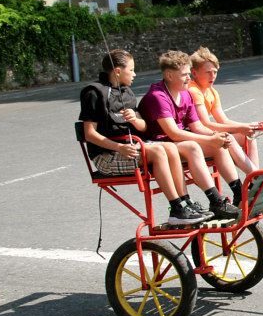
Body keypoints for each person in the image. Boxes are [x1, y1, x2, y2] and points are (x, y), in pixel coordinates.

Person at [78, 49, 209, 225]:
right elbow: (90, 134)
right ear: (118, 71)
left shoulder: (127, 93)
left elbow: (144, 127)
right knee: (158, 152)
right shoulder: (94, 93)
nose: (134, 74)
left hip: (132, 147)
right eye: (131, 70)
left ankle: (185, 202)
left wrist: (135, 119)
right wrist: (119, 147)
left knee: (169, 147)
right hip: (107, 156)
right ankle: (176, 207)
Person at [137, 50, 243, 219]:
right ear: (170, 75)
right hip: (160, 144)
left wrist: (219, 135)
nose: (189, 78)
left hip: (176, 142)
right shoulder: (158, 96)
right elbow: (173, 133)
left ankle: (240, 193)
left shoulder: (185, 93)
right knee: (193, 146)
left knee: (219, 145)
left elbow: (197, 126)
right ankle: (215, 200)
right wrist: (211, 138)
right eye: (184, 75)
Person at [188, 47, 259, 175]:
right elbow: (205, 124)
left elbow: (224, 120)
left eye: (215, 72)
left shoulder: (212, 92)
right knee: (228, 138)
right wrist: (240, 128)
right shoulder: (193, 90)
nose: (213, 76)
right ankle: (256, 177)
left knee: (249, 136)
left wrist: (249, 126)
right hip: (194, 135)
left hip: (205, 133)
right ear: (194, 73)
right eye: (208, 72)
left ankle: (256, 177)